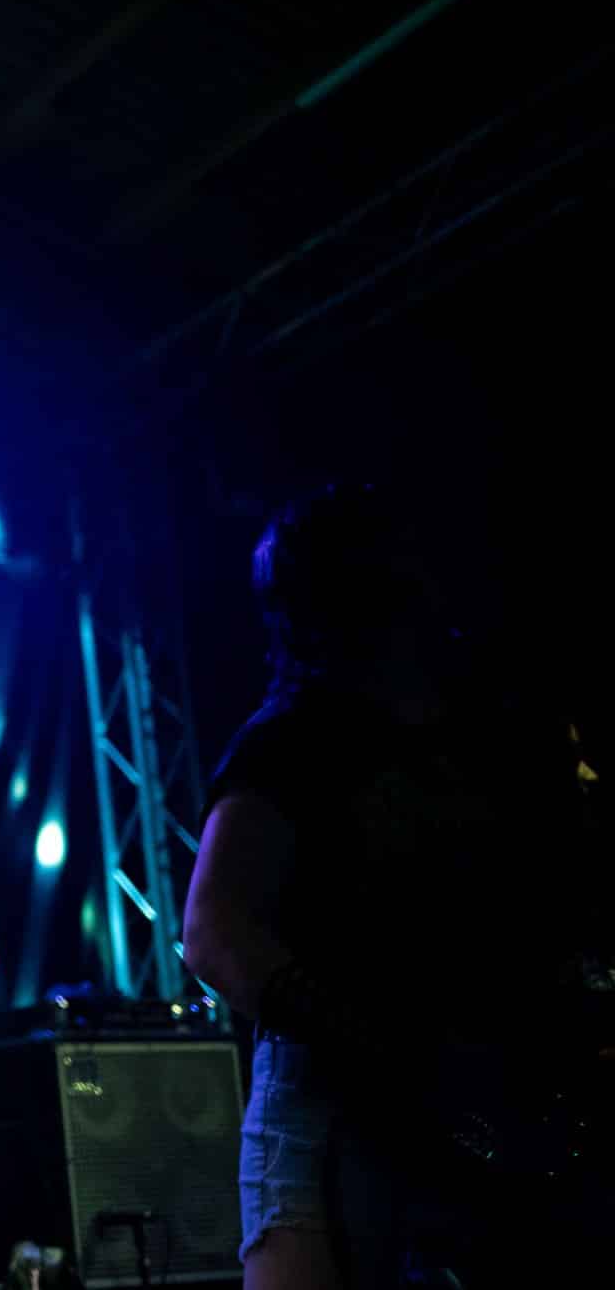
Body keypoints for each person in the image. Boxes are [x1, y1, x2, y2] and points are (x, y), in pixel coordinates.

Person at [181, 484, 613, 1287]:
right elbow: (213, 932)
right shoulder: (292, 744)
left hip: (487, 1106)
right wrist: (382, 1046)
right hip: (337, 1115)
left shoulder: (491, 730)